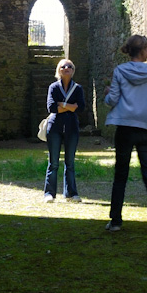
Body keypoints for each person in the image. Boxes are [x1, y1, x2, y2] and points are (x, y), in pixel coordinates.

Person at [103, 34, 147, 234]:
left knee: (121, 175)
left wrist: (107, 94)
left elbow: (113, 99)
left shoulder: (120, 71)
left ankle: (115, 221)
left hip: (125, 127)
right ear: (144, 51)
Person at [42, 58, 84, 203]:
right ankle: (49, 193)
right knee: (53, 162)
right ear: (58, 70)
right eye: (63, 66)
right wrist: (71, 106)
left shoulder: (78, 88)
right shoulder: (53, 87)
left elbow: (82, 107)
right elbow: (51, 107)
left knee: (70, 162)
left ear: (73, 70)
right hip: (54, 128)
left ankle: (71, 194)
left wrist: (62, 104)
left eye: (69, 66)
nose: (66, 68)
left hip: (72, 128)